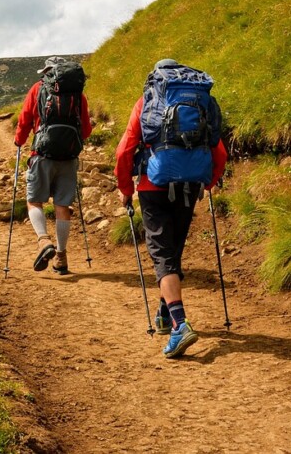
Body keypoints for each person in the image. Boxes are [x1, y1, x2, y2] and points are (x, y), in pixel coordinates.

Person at [114, 58, 227, 358]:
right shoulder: (201, 102)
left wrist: (126, 188)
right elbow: (220, 150)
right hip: (190, 185)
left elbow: (125, 149)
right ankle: (165, 314)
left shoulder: (147, 101)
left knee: (163, 256)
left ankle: (179, 325)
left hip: (153, 186)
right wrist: (208, 182)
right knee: (173, 251)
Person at [14, 56, 92, 275]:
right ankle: (61, 256)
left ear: (47, 71)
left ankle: (43, 241)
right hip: (68, 156)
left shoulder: (38, 88)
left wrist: (19, 140)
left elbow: (25, 119)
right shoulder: (78, 94)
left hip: (42, 153)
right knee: (62, 206)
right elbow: (85, 129)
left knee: (34, 201)